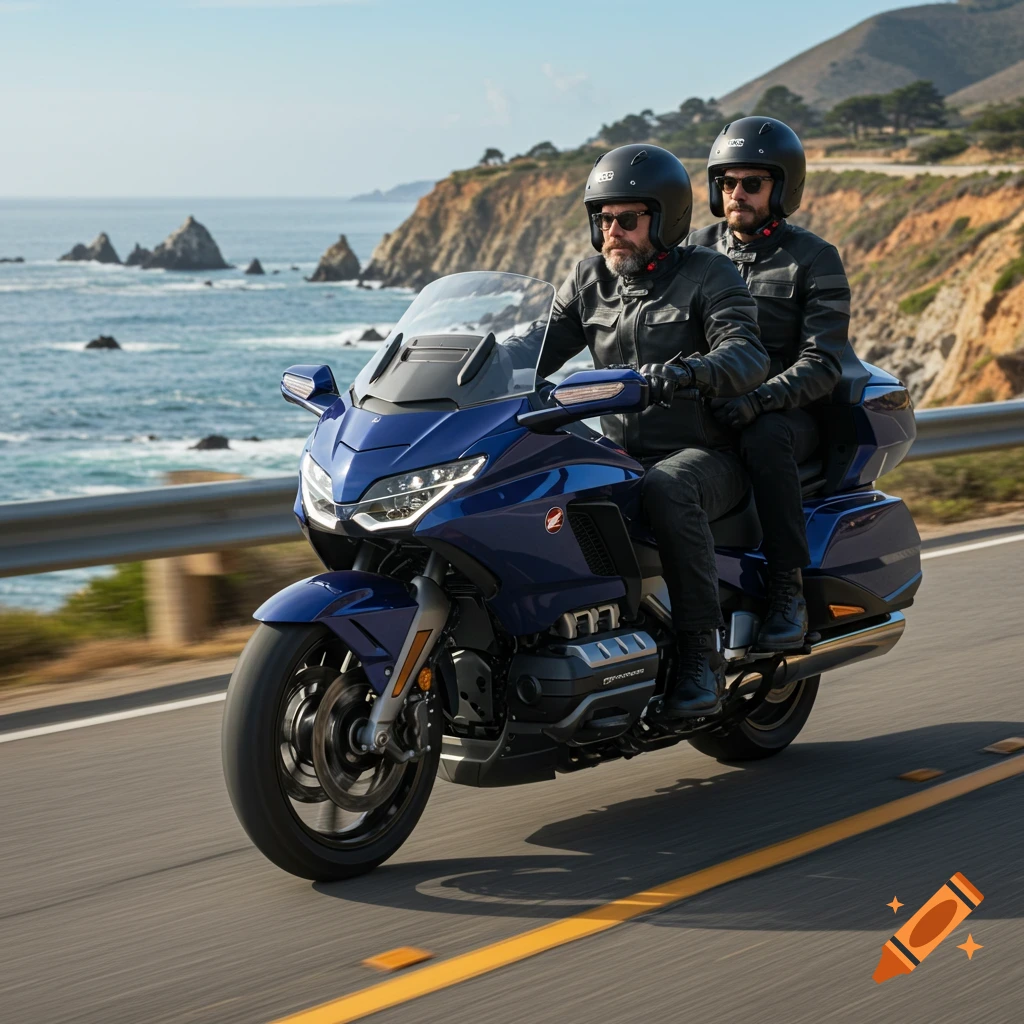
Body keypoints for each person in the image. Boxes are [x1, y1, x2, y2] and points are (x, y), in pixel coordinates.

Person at [538, 144, 769, 718]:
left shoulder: (708, 274)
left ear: (664, 219)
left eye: (628, 219)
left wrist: (689, 372)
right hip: (621, 454)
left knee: (668, 486)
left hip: (706, 456)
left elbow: (746, 354)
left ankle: (701, 656)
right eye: (604, 218)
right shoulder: (588, 281)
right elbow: (532, 351)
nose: (613, 230)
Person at [687, 117, 850, 651]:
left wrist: (759, 399)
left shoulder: (813, 257)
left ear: (782, 189)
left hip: (790, 412)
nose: (737, 194)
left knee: (764, 435)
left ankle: (788, 589)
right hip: (715, 400)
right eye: (727, 183)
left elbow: (824, 362)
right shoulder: (695, 250)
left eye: (751, 183)